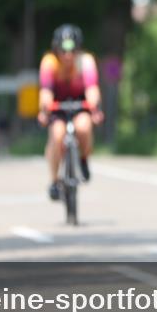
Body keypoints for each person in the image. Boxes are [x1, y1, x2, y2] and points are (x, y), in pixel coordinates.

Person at [38, 24, 103, 201]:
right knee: (57, 135)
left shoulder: (86, 61)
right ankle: (54, 180)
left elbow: (92, 88)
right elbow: (46, 91)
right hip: (57, 105)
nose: (68, 55)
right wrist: (44, 110)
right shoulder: (49, 62)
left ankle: (83, 158)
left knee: (83, 127)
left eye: (72, 50)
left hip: (80, 104)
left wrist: (95, 108)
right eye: (63, 50)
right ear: (56, 49)